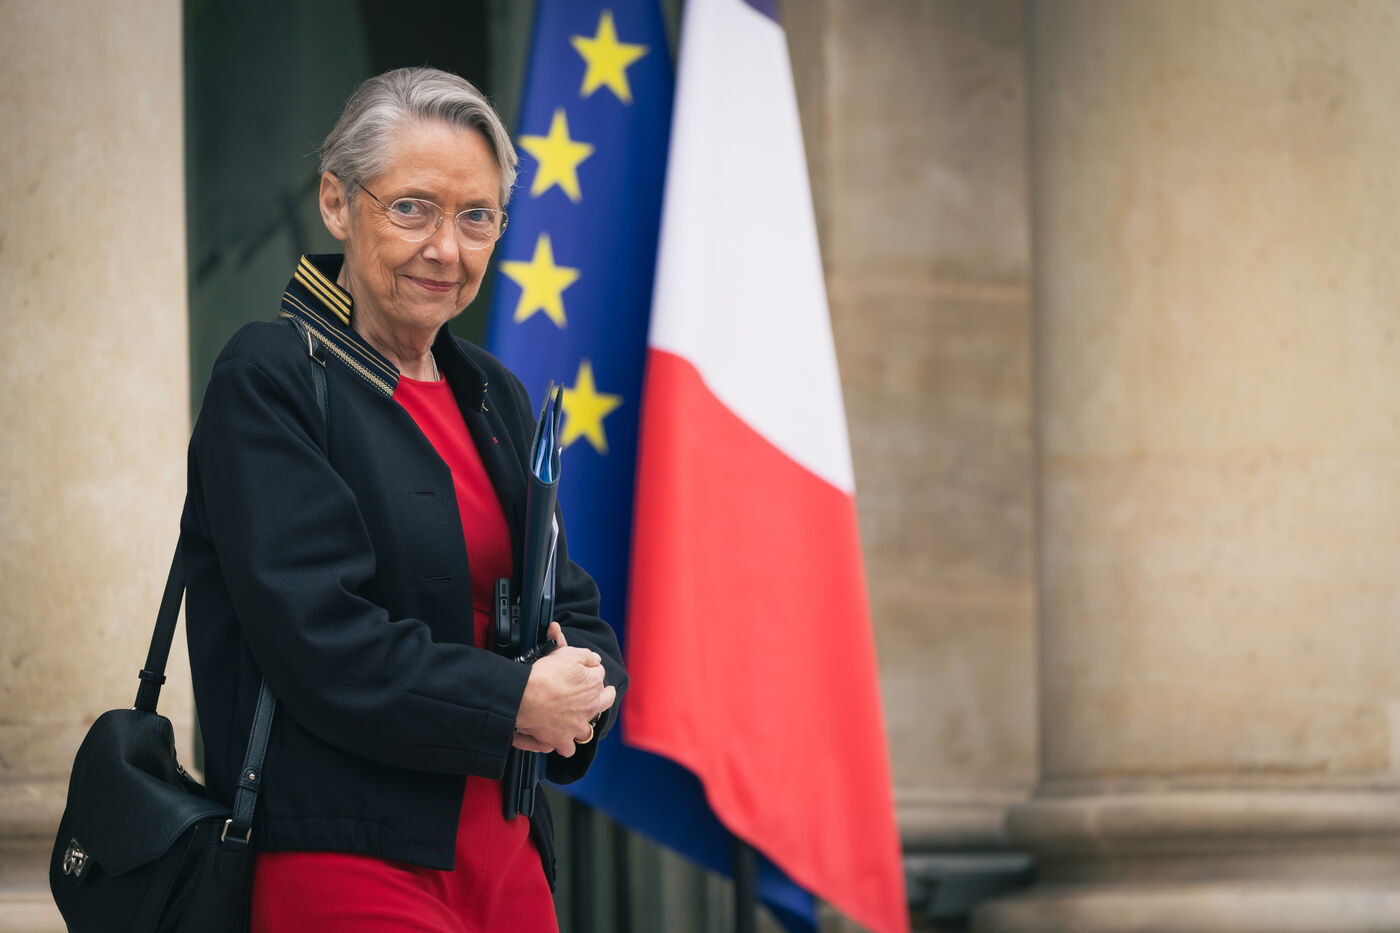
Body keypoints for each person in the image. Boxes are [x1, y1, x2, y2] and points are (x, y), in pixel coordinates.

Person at [181, 66, 624, 932]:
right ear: (337, 203)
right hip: (346, 857)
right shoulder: (271, 377)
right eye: (413, 209)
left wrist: (585, 689)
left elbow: (573, 607)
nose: (446, 249)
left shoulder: (495, 396)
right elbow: (322, 639)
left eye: (477, 217)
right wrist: (514, 701)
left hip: (508, 857)